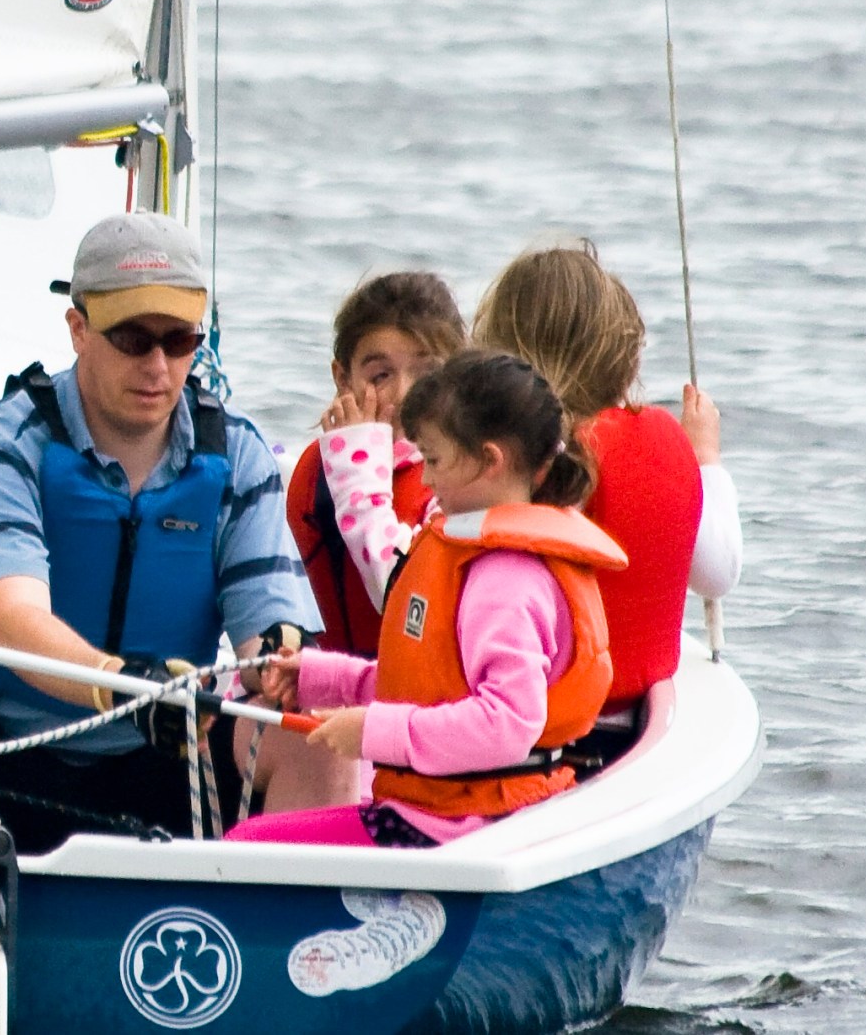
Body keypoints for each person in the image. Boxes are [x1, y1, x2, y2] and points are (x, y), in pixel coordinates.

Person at [0, 212, 353, 850]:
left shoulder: (237, 454)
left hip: (166, 763)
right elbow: (15, 618)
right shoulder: (4, 443)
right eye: (132, 338)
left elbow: (268, 636)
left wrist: (281, 660)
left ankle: (283, 913)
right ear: (78, 329)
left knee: (318, 726)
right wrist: (127, 688)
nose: (158, 365)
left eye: (179, 340)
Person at [228, 350, 623, 847]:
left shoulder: (505, 581)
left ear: (490, 460)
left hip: (462, 823)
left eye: (433, 460)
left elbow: (507, 724)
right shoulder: (474, 557)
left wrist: (373, 733)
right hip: (453, 810)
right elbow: (430, 685)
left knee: (247, 845)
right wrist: (318, 677)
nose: (427, 479)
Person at [472, 241, 742, 753]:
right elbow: (718, 573)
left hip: (527, 735)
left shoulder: (511, 465)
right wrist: (705, 459)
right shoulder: (661, 445)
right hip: (630, 730)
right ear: (623, 353)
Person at [287, 272, 466, 656]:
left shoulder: (463, 476)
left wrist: (358, 476)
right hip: (329, 683)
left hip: (418, 688)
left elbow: (409, 599)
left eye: (428, 374)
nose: (404, 394)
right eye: (381, 375)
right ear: (343, 378)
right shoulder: (317, 468)